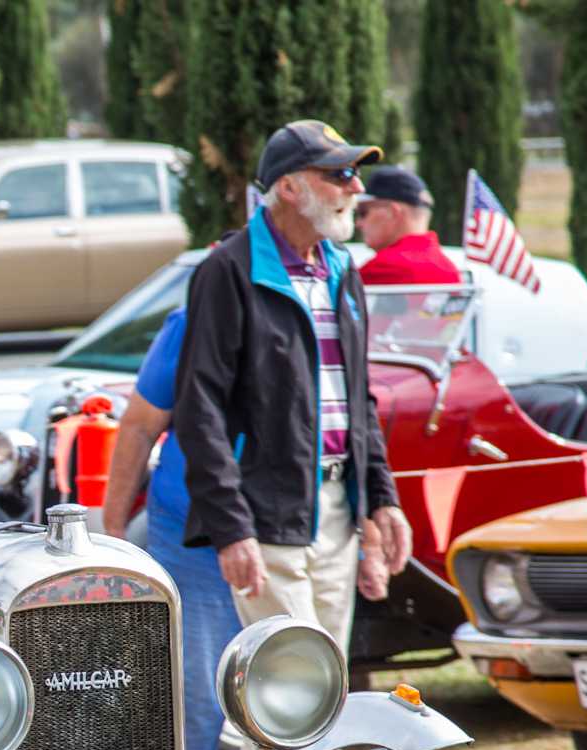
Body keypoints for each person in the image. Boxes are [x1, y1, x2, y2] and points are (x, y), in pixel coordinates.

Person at [175, 119, 412, 658]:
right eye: (341, 174)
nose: (357, 187)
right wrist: (232, 528)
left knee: (322, 690)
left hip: (335, 515)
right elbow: (199, 409)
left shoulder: (342, 269)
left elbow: (358, 400)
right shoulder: (227, 271)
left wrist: (380, 500)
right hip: (265, 513)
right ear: (288, 187)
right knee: (297, 682)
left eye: (355, 174)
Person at [102, 308, 240, 750]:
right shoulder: (193, 320)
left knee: (296, 696)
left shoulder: (329, 296)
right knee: (192, 699)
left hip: (291, 533)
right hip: (194, 533)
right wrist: (113, 530)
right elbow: (139, 425)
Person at [355, 167, 461, 286]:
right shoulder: (449, 268)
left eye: (363, 212)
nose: (358, 223)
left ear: (393, 212)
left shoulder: (384, 267)